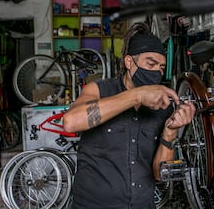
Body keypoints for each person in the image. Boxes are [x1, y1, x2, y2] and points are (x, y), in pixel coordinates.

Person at [63, 22, 196, 209]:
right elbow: (70, 122)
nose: (156, 71)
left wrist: (170, 132)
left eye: (161, 67)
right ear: (129, 62)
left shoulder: (163, 107)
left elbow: (159, 174)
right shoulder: (100, 90)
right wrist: (137, 96)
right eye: (150, 63)